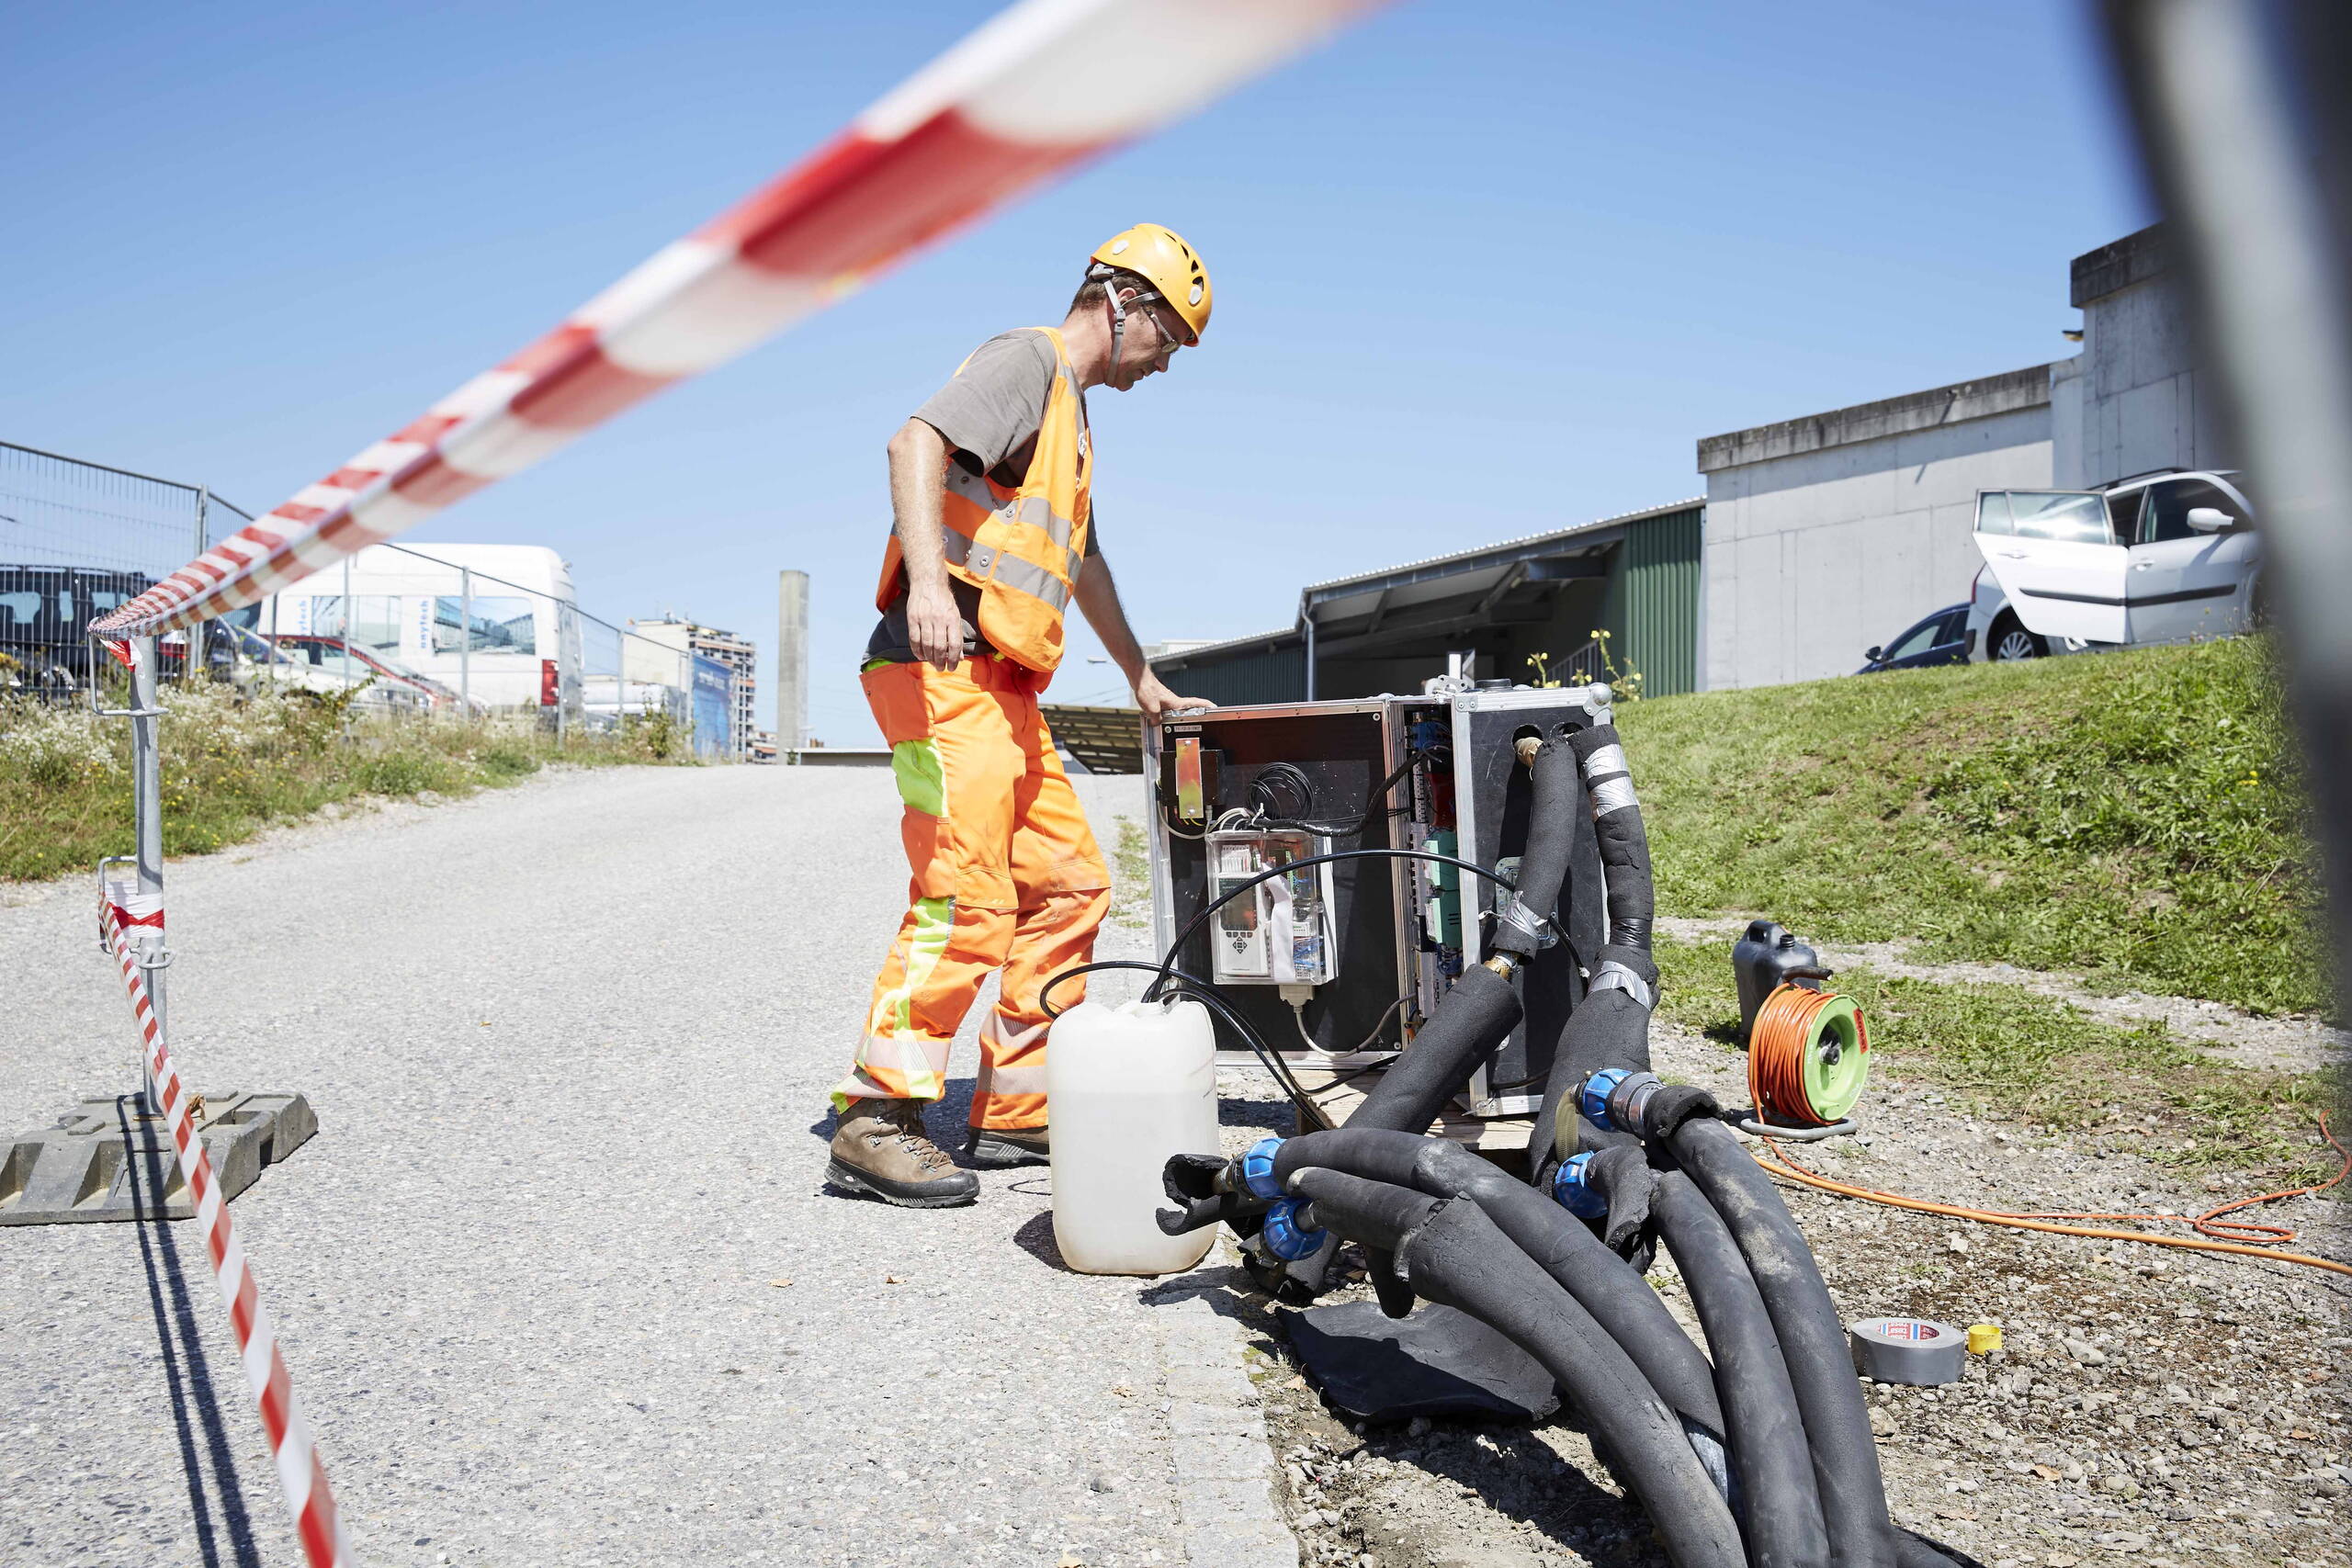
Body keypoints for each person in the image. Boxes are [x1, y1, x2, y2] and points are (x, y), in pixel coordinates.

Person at [826, 224, 1216, 1208]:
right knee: (969, 895)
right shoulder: (1025, 360)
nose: (1163, 364)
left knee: (1070, 884)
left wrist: (1138, 674)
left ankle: (1015, 1111)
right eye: (1167, 338)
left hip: (1004, 686)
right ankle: (879, 1114)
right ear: (1121, 302)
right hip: (938, 668)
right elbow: (913, 439)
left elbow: (1077, 563)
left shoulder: (1070, 420)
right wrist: (923, 583)